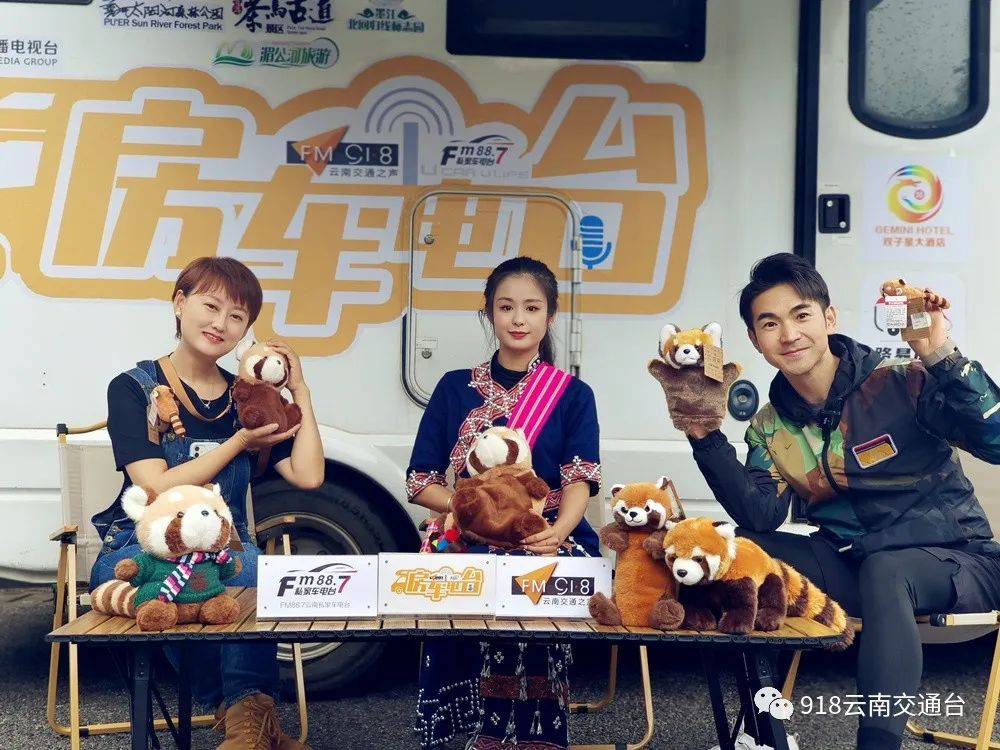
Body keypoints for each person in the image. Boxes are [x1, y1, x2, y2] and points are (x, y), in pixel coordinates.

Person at [659, 252, 1000, 750]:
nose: (789, 334)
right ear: (755, 340)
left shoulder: (901, 381)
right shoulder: (770, 424)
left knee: (887, 569)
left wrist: (940, 355)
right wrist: (704, 434)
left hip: (958, 561)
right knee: (735, 551)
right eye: (770, 324)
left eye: (801, 315)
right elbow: (759, 514)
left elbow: (996, 441)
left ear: (829, 318)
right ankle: (762, 735)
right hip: (855, 563)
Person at [89, 256, 324, 750]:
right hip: (138, 550)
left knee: (246, 569)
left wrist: (299, 390)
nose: (221, 324)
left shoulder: (250, 397)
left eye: (237, 316)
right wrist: (239, 442)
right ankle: (247, 720)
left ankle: (245, 721)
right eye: (210, 306)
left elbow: (308, 475)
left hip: (224, 549)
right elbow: (155, 485)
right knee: (225, 574)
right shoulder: (133, 387)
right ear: (180, 303)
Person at [407, 256, 602, 750]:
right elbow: (420, 482)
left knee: (538, 569)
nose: (518, 319)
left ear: (550, 317)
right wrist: (476, 517)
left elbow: (579, 480)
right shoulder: (454, 387)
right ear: (489, 314)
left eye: (532, 308)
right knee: (467, 564)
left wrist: (557, 533)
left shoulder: (573, 395)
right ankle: (477, 732)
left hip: (545, 533)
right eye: (506, 307)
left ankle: (534, 735)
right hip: (468, 533)